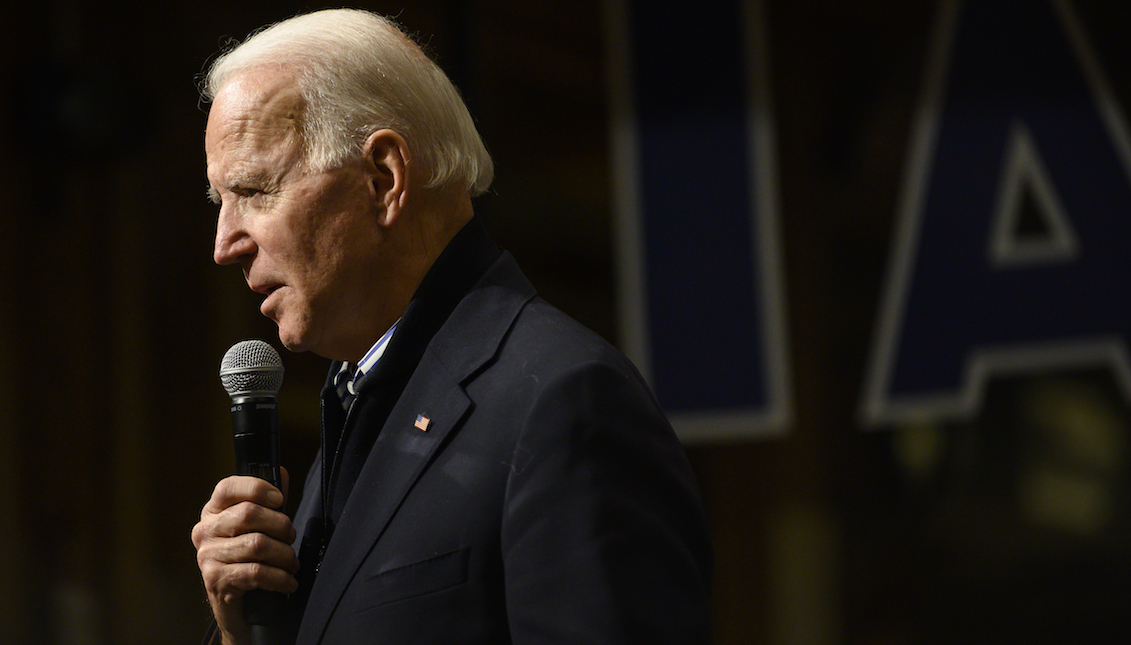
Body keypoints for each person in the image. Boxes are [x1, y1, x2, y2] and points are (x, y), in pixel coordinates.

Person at [190, 8, 713, 645]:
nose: (225, 244)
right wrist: (242, 632)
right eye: (222, 203)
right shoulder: (363, 398)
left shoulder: (562, 402)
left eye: (256, 190)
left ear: (383, 179)